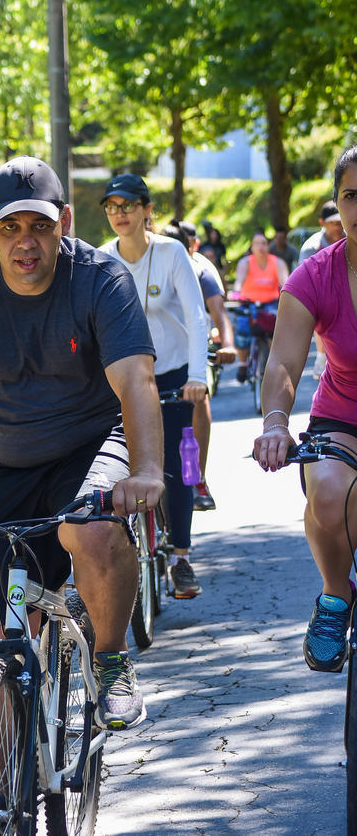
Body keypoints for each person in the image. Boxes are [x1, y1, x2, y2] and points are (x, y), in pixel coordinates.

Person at [0, 156, 165, 731]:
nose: (26, 242)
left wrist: (147, 471)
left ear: (65, 222)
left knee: (90, 527)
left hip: (91, 445)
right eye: (10, 227)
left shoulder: (101, 279)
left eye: (41, 226)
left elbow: (136, 382)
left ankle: (111, 659)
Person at [253, 145, 357, 674]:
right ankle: (336, 597)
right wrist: (275, 423)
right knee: (330, 491)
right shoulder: (314, 276)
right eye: (351, 196)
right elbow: (283, 367)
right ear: (338, 205)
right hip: (343, 419)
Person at [99, 175, 207, 599]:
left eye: (128, 205)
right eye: (111, 206)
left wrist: (198, 377)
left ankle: (180, 555)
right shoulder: (102, 259)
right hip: (124, 378)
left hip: (175, 376)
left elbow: (197, 317)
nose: (119, 213)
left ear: (148, 210)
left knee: (178, 470)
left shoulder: (171, 252)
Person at [178, 221, 237, 510]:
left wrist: (227, 344)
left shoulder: (201, 269)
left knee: (199, 398)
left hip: (195, 349)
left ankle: (198, 477)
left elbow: (219, 312)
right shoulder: (145, 263)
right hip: (155, 352)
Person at [233, 231, 289, 383]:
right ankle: (243, 364)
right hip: (249, 302)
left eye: (264, 243)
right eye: (257, 243)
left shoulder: (277, 263)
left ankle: (275, 364)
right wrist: (236, 294)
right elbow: (239, 281)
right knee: (243, 331)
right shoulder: (245, 263)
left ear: (268, 246)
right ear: (251, 247)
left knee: (274, 332)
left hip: (270, 303)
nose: (261, 247)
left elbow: (286, 283)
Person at [299, 201, 345, 380]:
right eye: (333, 222)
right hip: (321, 294)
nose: (338, 226)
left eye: (340, 221)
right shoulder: (311, 247)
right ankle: (321, 357)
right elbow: (303, 281)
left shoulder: (351, 240)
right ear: (322, 223)